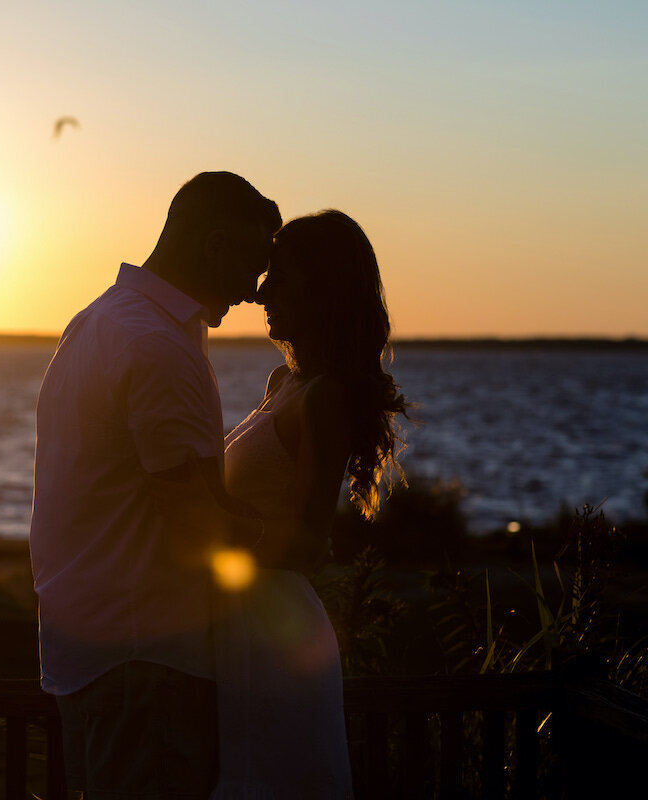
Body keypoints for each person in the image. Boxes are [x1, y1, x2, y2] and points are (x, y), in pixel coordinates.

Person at [29, 171, 281, 799]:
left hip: (88, 649)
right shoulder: (157, 347)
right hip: (148, 662)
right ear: (214, 245)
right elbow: (196, 524)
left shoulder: (97, 323)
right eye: (252, 264)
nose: (254, 292)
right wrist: (285, 544)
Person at [212, 209, 408, 798]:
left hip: (274, 633)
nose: (261, 290)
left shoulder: (324, 398)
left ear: (320, 288)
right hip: (237, 623)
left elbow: (306, 541)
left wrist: (202, 538)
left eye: (280, 276)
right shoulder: (282, 384)